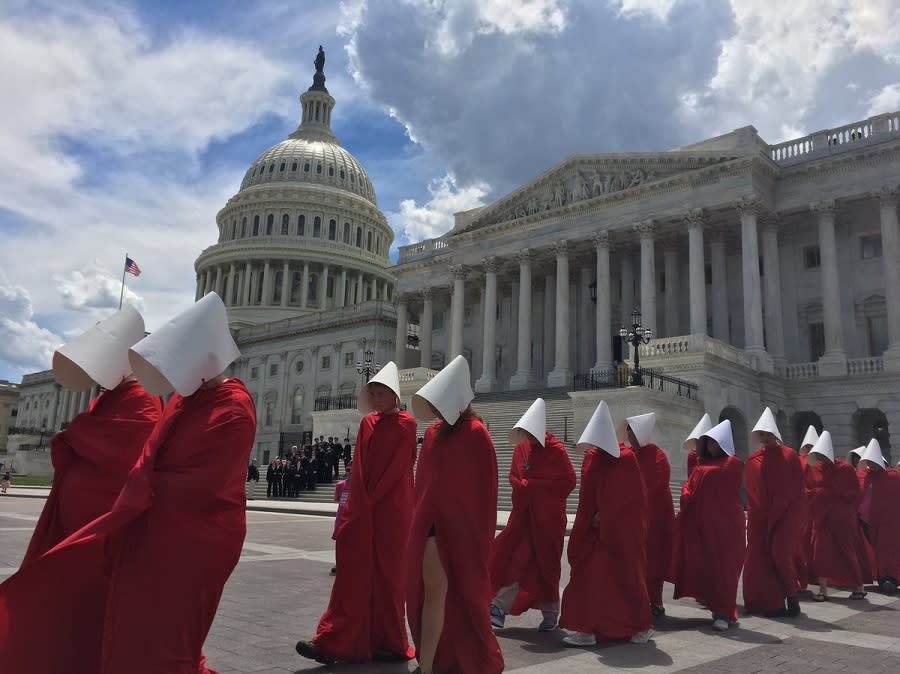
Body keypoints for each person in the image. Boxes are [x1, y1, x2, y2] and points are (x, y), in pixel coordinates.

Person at [0, 292, 255, 674]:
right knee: (130, 626)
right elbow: (151, 457)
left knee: (160, 633)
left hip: (186, 535)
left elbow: (197, 476)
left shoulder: (232, 405)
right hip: (147, 529)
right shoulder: (185, 402)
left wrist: (138, 490)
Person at [17, 306, 163, 567]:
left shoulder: (143, 399)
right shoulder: (109, 397)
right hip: (78, 520)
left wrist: (75, 435)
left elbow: (123, 454)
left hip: (102, 523)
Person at [296, 361, 418, 665]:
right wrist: (360, 503)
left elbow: (398, 469)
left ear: (394, 396)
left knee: (388, 576)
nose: (377, 399)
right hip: (365, 506)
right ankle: (336, 639)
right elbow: (360, 467)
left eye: (382, 393)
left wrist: (373, 501)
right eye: (373, 393)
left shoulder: (407, 424)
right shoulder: (367, 424)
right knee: (354, 574)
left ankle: (388, 641)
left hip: (392, 509)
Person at [406, 355, 504, 674]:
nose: (434, 409)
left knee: (449, 597)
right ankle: (429, 662)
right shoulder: (433, 435)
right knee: (432, 595)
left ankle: (429, 664)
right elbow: (425, 483)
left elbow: (484, 492)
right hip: (431, 527)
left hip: (461, 531)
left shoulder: (477, 434)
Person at [559, 400, 654, 647]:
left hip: (620, 531)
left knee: (627, 577)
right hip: (594, 531)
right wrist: (589, 522)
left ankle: (640, 625)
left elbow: (632, 498)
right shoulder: (592, 458)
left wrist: (608, 517)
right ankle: (588, 629)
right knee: (590, 580)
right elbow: (587, 495)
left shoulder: (626, 459)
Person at [489, 398, 576, 631]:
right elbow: (514, 477)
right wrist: (523, 485)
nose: (527, 436)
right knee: (517, 559)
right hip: (525, 518)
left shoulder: (556, 451)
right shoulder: (521, 448)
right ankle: (498, 606)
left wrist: (534, 485)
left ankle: (550, 612)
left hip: (548, 518)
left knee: (547, 565)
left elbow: (568, 482)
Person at [672, 419, 745, 631]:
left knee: (726, 568)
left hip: (727, 525)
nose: (710, 446)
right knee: (711, 567)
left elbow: (707, 482)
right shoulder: (703, 464)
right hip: (705, 523)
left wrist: (694, 483)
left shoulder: (732, 463)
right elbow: (689, 487)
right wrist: (687, 493)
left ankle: (724, 611)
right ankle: (720, 611)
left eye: (714, 442)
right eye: (708, 443)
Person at [743, 407, 806, 617]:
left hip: (785, 515)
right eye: (761, 434)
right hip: (761, 517)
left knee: (780, 556)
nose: (765, 438)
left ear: (774, 434)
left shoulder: (789, 455)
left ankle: (791, 595)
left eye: (767, 434)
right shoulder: (754, 458)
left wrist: (782, 510)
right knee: (759, 558)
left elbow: (795, 487)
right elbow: (753, 489)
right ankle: (765, 602)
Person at [621, 412, 674, 617]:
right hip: (633, 515)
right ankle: (637, 599)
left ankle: (656, 601)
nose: (631, 438)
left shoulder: (657, 455)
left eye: (633, 434)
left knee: (653, 560)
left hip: (654, 516)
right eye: (629, 435)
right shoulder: (628, 454)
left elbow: (656, 485)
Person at [804, 431, 867, 601]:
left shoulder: (845, 469)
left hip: (841, 518)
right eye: (817, 455)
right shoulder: (814, 469)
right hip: (822, 517)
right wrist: (819, 494)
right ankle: (823, 590)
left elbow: (854, 493)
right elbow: (808, 490)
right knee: (820, 552)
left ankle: (858, 586)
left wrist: (826, 493)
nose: (820, 458)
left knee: (847, 551)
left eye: (821, 454)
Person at [857, 439, 900, 594]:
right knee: (878, 550)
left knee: (890, 549)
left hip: (891, 521)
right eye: (868, 462)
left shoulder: (894, 477)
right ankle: (883, 578)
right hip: (868, 521)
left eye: (873, 462)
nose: (870, 465)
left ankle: (892, 579)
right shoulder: (863, 475)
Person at [329, 473, 351, 576]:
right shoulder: (340, 484)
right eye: (348, 470)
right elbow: (337, 499)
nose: (350, 472)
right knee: (339, 540)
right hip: (340, 516)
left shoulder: (358, 485)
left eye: (352, 470)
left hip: (351, 516)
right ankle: (339, 563)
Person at [683, 413, 712, 480]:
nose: (697, 443)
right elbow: (692, 476)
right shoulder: (693, 455)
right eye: (697, 440)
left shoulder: (713, 454)